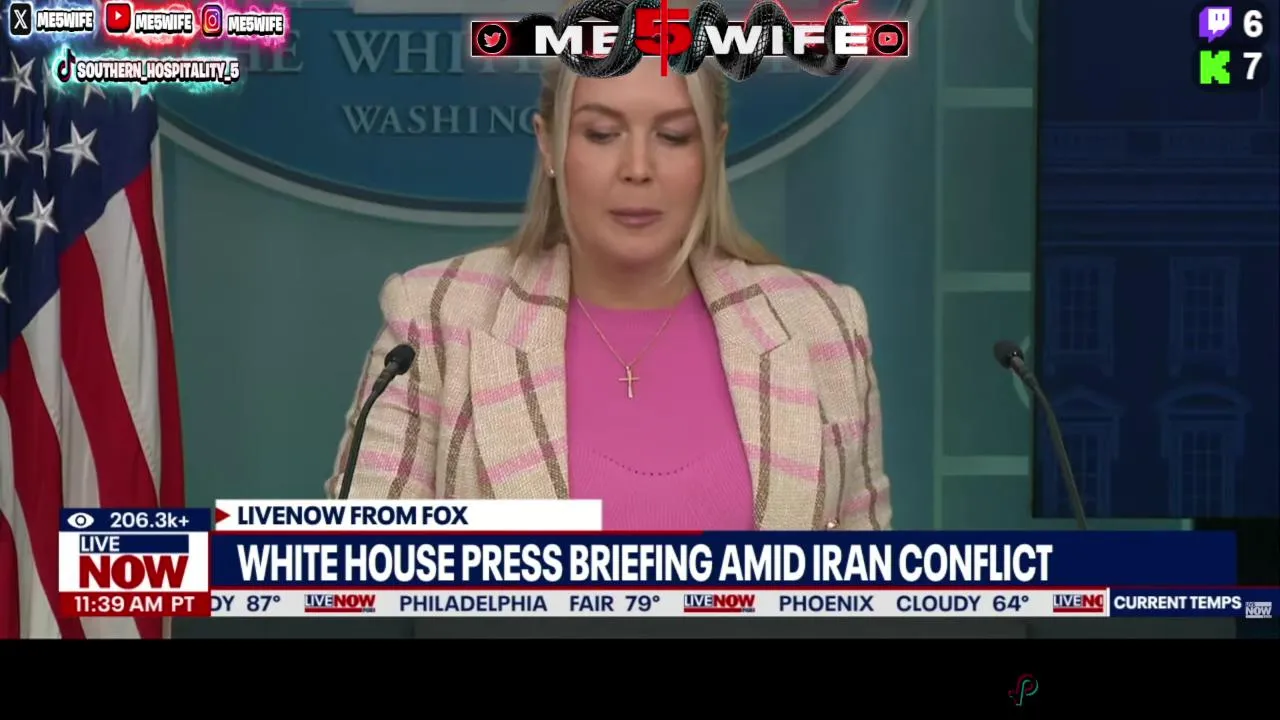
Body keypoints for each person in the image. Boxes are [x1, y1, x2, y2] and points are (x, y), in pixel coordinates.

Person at [324, 54, 891, 532]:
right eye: (602, 134)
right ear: (549, 144)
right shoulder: (435, 320)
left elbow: (870, 597)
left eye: (673, 136)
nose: (637, 168)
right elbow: (363, 581)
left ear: (713, 150)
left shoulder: (821, 325)